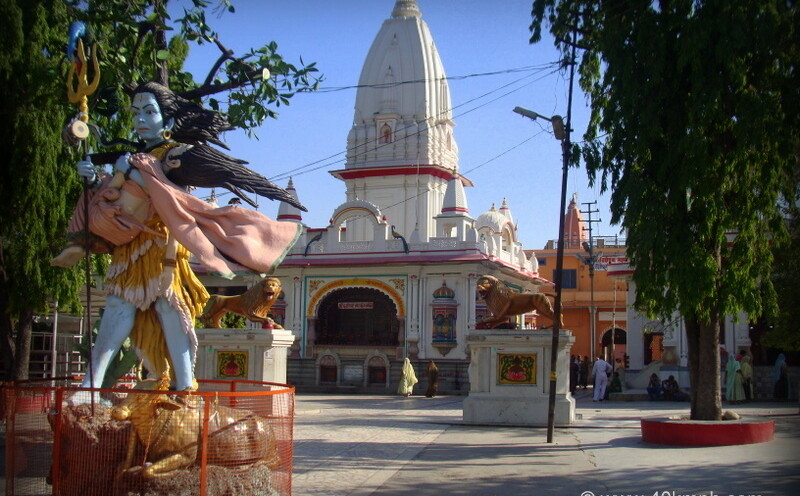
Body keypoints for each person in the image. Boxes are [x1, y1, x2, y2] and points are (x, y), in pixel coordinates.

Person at [52, 82, 303, 399]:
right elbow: (118, 198)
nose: (140, 119)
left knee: (172, 311)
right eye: (135, 113)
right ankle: (90, 386)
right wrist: (93, 180)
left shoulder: (174, 156)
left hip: (165, 248)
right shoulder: (132, 158)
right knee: (117, 308)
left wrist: (139, 171)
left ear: (168, 121)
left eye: (149, 112)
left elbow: (172, 197)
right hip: (130, 248)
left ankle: (185, 387)